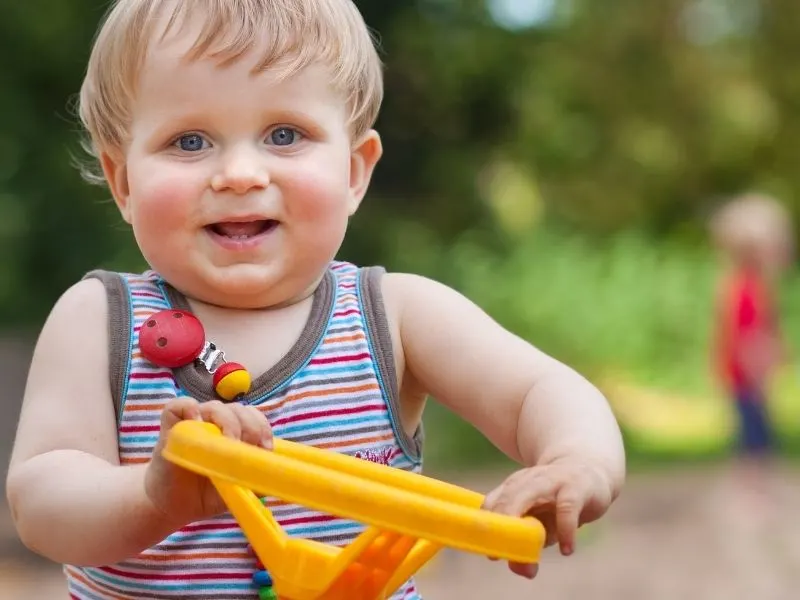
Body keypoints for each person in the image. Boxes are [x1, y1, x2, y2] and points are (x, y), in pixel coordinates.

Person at [5, 1, 625, 598]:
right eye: (190, 142)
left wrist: (576, 460)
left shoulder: (396, 317)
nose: (240, 173)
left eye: (284, 134)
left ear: (354, 172)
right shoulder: (99, 322)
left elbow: (540, 393)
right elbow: (42, 502)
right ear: (124, 183)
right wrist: (151, 495)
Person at [710, 192, 793, 505]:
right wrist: (758, 370)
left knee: (755, 425)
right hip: (746, 373)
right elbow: (746, 335)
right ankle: (753, 487)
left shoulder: (746, 285)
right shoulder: (747, 288)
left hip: (743, 370)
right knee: (754, 428)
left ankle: (756, 484)